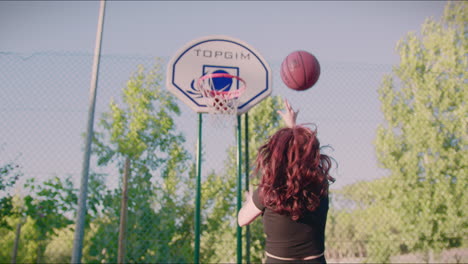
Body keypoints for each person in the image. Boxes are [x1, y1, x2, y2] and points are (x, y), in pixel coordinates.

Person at [238, 98, 335, 264]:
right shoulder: (320, 186)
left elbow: (242, 220)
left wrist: (250, 202)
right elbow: (301, 156)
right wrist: (293, 127)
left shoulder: (267, 192)